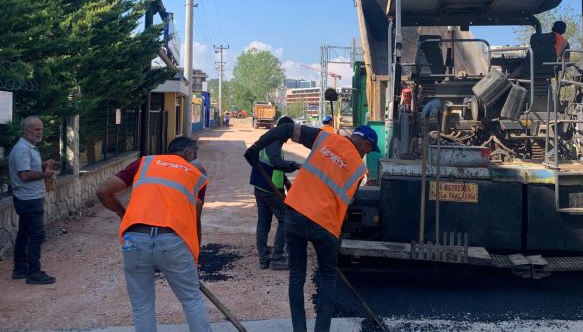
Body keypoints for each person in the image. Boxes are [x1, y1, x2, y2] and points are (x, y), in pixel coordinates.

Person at [244, 124, 379, 332]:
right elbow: (347, 204)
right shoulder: (360, 170)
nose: (366, 154)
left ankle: (299, 329)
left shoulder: (325, 139)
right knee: (328, 276)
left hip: (296, 215)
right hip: (326, 225)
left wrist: (256, 147)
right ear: (365, 143)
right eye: (368, 150)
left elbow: (287, 129)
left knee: (297, 274)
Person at [95, 136, 211, 332]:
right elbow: (195, 217)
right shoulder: (196, 175)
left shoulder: (144, 162)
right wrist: (195, 257)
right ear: (188, 153)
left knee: (142, 306)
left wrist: (123, 214)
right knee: (191, 299)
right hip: (172, 241)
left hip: (135, 240)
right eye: (195, 155)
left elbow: (103, 191)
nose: (195, 160)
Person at [9, 116, 58, 284]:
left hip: (28, 198)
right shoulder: (23, 149)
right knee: (38, 234)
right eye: (37, 129)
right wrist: (45, 174)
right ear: (26, 130)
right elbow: (24, 175)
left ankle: (20, 269)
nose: (40, 132)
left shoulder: (28, 148)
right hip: (29, 199)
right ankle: (34, 272)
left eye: (41, 129)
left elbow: (28, 169)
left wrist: (43, 166)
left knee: (24, 233)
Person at [249, 116, 300, 270]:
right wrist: (296, 165)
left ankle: (264, 260)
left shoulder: (269, 140)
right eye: (289, 132)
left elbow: (272, 166)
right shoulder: (274, 142)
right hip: (269, 189)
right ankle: (276, 258)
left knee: (263, 222)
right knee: (286, 219)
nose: (290, 136)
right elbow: (277, 162)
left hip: (262, 186)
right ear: (283, 130)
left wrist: (286, 182)